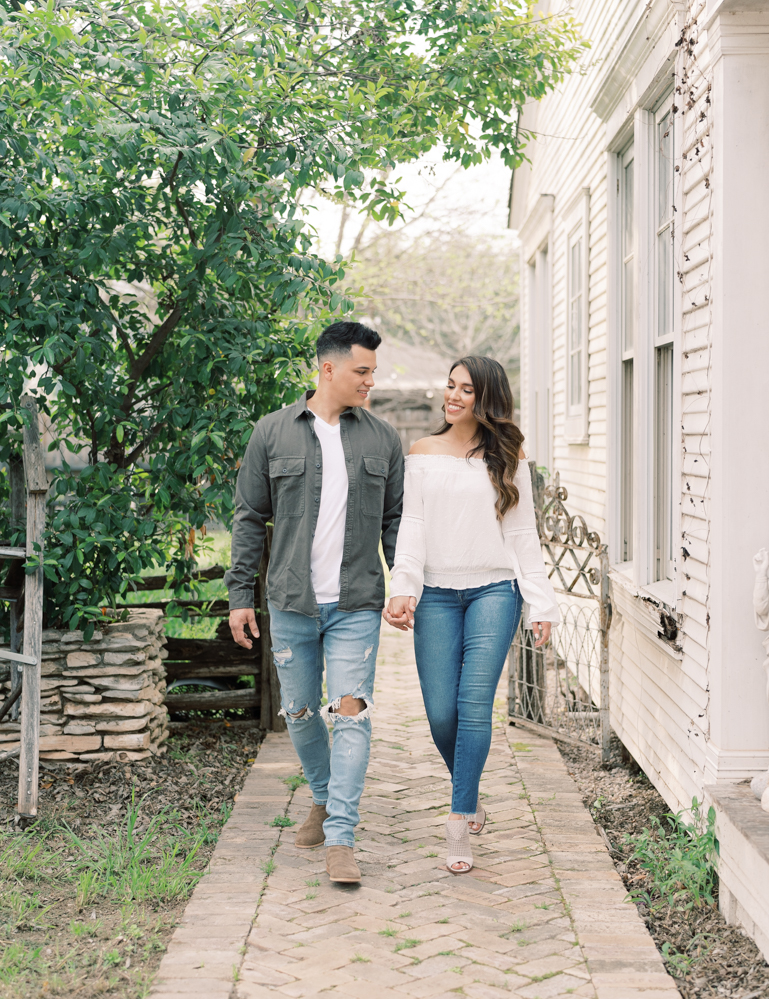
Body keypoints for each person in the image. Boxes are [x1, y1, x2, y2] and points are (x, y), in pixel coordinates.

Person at [226, 320, 404, 884]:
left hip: (356, 604)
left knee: (350, 717)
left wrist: (405, 586)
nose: (370, 382)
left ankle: (341, 838)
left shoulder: (383, 439)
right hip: (292, 603)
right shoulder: (271, 433)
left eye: (372, 371)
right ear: (328, 368)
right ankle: (324, 797)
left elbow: (397, 522)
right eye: (362, 371)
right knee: (301, 714)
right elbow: (249, 517)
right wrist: (238, 597)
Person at [384, 355, 560, 873]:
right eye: (450, 386)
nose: (453, 396)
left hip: (494, 592)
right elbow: (411, 527)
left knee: (474, 704)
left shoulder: (508, 457)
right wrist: (404, 588)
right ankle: (472, 792)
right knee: (442, 714)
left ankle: (458, 820)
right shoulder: (422, 452)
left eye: (466, 389)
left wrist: (541, 603)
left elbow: (524, 535)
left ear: (487, 399)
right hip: (436, 594)